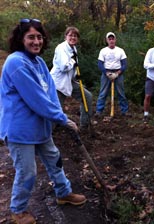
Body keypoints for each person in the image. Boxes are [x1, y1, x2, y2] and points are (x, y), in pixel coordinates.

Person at [0, 19, 86, 224]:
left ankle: (63, 193)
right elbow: (36, 98)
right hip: (20, 130)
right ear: (21, 39)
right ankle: (18, 210)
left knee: (54, 160)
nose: (36, 41)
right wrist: (62, 119)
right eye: (31, 37)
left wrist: (59, 114)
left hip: (40, 127)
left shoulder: (38, 63)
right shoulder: (16, 62)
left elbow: (51, 95)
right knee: (27, 171)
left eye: (39, 37)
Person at [50, 26, 93, 128]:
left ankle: (85, 125)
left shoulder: (73, 48)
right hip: (58, 84)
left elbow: (72, 68)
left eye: (75, 36)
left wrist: (75, 76)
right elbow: (64, 66)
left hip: (69, 81)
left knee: (87, 97)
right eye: (70, 35)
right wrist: (73, 62)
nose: (73, 37)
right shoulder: (61, 48)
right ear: (65, 37)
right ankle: (48, 135)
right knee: (56, 109)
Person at [95, 32, 129, 116]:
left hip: (118, 73)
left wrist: (118, 73)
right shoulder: (103, 51)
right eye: (109, 39)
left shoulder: (120, 50)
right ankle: (99, 111)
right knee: (103, 93)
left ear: (115, 40)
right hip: (106, 73)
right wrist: (106, 73)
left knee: (121, 93)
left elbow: (124, 64)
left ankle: (124, 111)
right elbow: (100, 64)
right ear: (107, 40)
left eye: (112, 39)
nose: (111, 40)